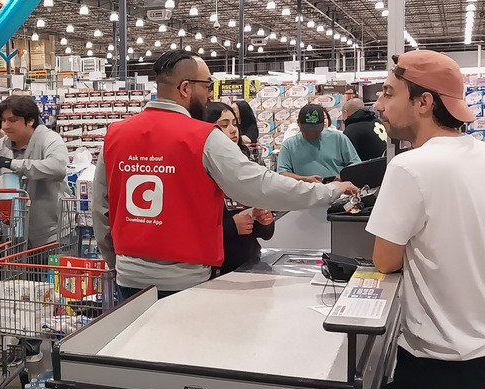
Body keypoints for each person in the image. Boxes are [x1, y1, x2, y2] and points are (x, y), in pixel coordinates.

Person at [93, 50, 357, 302]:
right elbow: (260, 186)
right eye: (207, 86)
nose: (210, 95)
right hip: (183, 282)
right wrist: (331, 190)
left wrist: (116, 263)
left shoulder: (116, 134)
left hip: (128, 280)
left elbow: (101, 209)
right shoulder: (201, 137)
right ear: (185, 88)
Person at [365, 50, 485, 389]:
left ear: (423, 102)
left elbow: (384, 260)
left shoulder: (409, 167)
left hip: (443, 352)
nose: (379, 104)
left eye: (388, 93)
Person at [0, 95, 70, 362]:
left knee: (49, 294)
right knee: (21, 293)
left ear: (30, 121)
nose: (6, 126)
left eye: (13, 120)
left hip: (50, 233)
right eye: (4, 120)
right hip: (16, 236)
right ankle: (27, 346)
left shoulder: (49, 139)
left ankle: (55, 347)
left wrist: (16, 166)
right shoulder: (1, 146)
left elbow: (58, 166)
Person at [203, 102, 275, 275]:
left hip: (250, 264)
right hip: (213, 271)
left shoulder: (248, 160)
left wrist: (264, 220)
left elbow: (266, 233)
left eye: (234, 124)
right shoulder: (201, 168)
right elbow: (194, 230)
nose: (233, 130)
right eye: (224, 125)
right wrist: (231, 227)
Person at [277, 104, 360, 183]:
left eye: (315, 130)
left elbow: (356, 165)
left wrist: (343, 176)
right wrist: (304, 179)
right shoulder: (289, 145)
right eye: (307, 130)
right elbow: (282, 173)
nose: (311, 134)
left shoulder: (339, 138)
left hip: (337, 190)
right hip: (304, 192)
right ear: (298, 123)